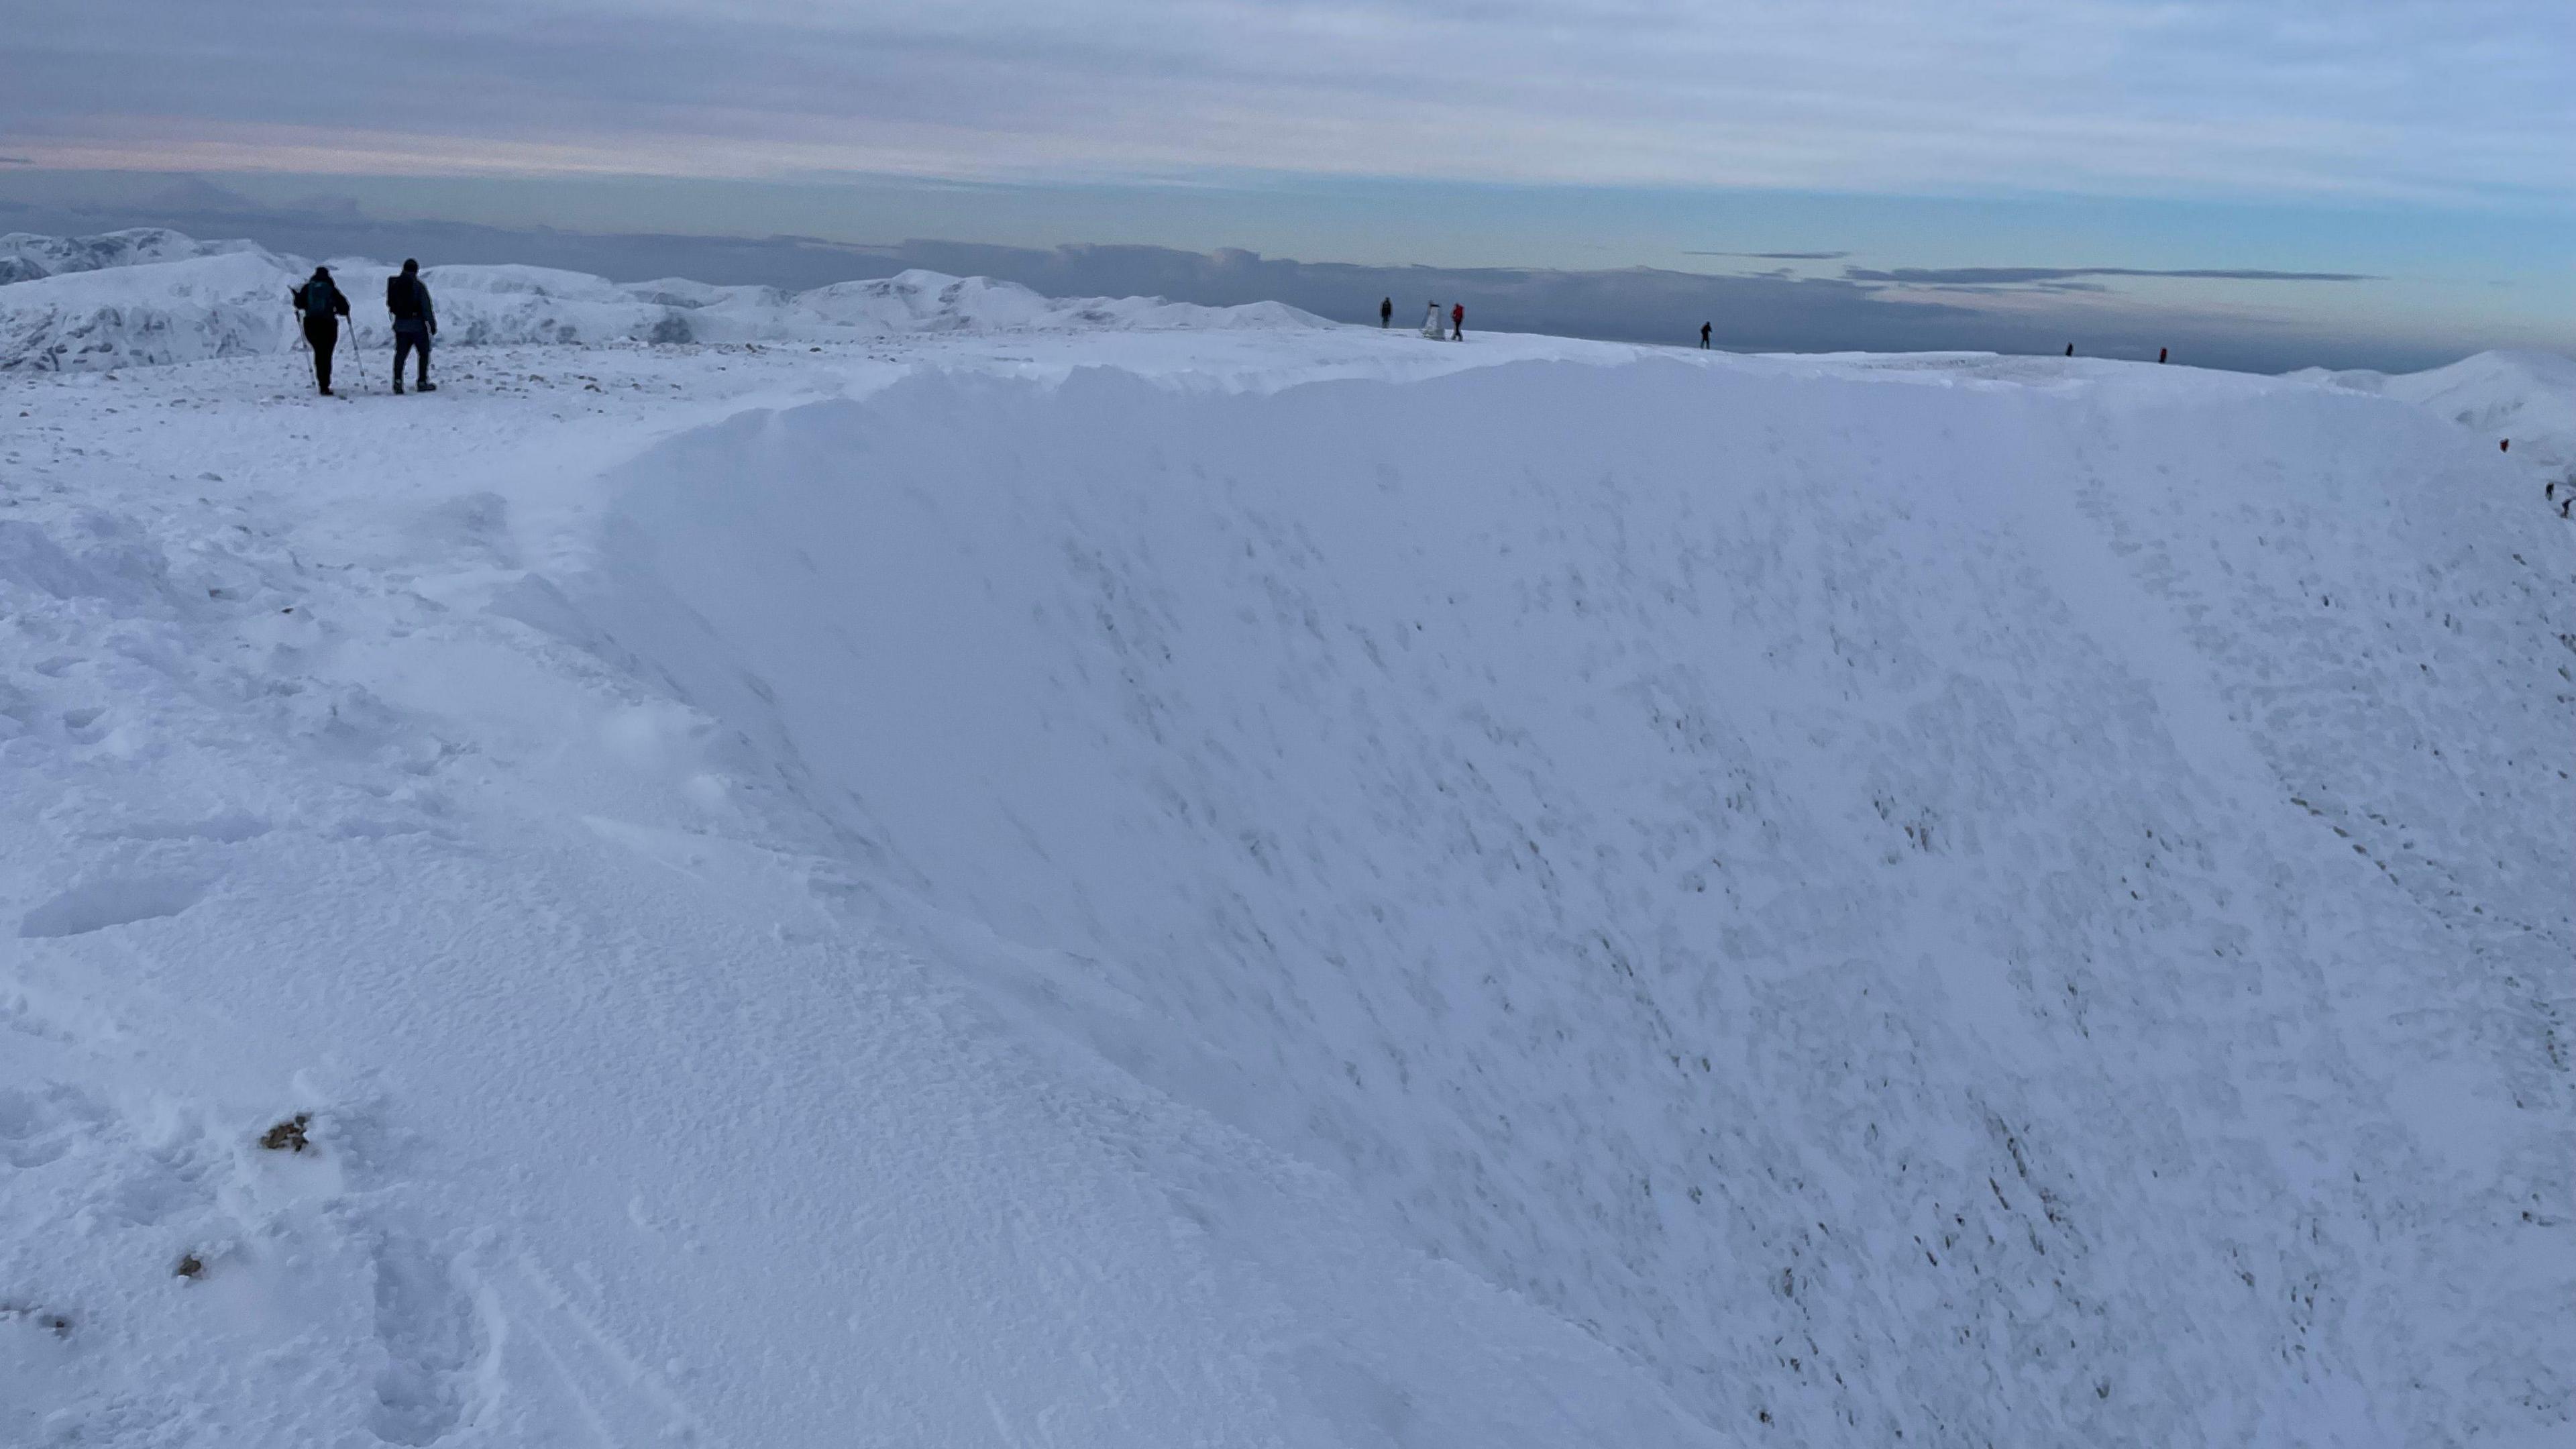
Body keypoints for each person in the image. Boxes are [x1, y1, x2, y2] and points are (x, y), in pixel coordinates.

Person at [290, 266, 349, 395]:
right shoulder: (331, 289)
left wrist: (297, 296)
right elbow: (344, 308)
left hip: (311, 324)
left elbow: (299, 304)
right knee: (327, 354)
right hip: (328, 325)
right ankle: (325, 384)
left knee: (319, 352)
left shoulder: (308, 288)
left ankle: (321, 382)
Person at [386, 259, 438, 394]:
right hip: (417, 326)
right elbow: (426, 307)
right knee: (423, 353)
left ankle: (398, 381)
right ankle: (422, 381)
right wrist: (432, 325)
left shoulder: (395, 284)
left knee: (400, 355)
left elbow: (390, 304)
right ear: (416, 270)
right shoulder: (418, 286)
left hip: (400, 325)